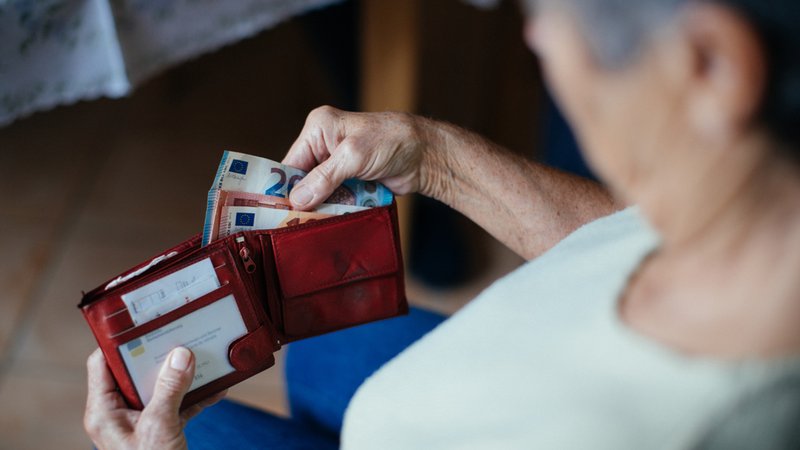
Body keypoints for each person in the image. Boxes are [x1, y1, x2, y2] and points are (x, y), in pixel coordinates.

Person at [84, 0, 800, 448]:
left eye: (557, 12)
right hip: (483, 387)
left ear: (711, 65)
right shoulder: (759, 212)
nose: (539, 39)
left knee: (201, 430)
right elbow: (626, 237)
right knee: (327, 347)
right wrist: (434, 158)